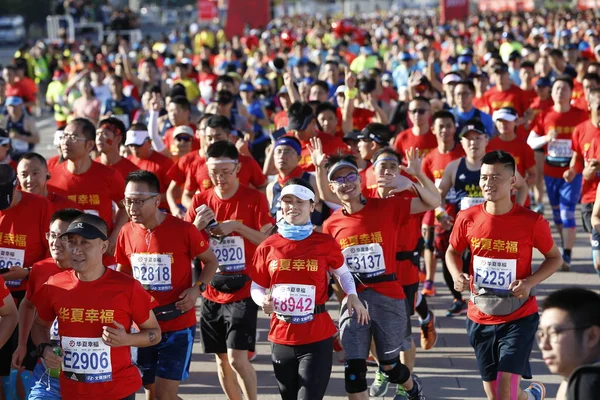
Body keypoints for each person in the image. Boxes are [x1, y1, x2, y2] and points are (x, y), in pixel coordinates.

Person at [317, 145, 440, 400]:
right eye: (338, 180)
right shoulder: (331, 225)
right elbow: (331, 269)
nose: (345, 183)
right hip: (354, 302)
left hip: (388, 297)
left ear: (361, 180)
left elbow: (434, 201)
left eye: (350, 176)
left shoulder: (388, 207)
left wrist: (413, 180)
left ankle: (412, 388)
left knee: (389, 366)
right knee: (353, 370)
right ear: (331, 188)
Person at [446, 150, 563, 400]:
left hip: (519, 315)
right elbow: (452, 252)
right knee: (495, 394)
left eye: (497, 177)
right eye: (485, 177)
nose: (489, 183)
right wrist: (457, 275)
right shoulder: (467, 218)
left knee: (506, 390)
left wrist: (530, 281)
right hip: (480, 314)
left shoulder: (532, 221)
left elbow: (555, 258)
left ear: (512, 182)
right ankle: (532, 396)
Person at [250, 179, 368, 400]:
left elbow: (342, 273)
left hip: (317, 335)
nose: (293, 206)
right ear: (279, 205)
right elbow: (257, 286)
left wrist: (352, 295)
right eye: (287, 201)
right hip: (281, 336)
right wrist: (262, 301)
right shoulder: (268, 246)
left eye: (300, 201)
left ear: (312, 206)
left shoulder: (324, 242)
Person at [30, 214, 162, 400]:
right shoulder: (54, 285)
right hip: (71, 391)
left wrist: (126, 339)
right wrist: (44, 349)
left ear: (104, 246)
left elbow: (154, 334)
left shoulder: (128, 287)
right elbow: (39, 325)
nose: (76, 249)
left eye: (85, 243)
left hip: (118, 391)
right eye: (72, 242)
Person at [116, 170, 219, 400]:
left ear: (157, 200)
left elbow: (211, 261)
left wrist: (197, 289)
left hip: (177, 324)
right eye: (128, 201)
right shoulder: (125, 232)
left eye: (139, 201)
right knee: (151, 393)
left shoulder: (184, 230)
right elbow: (123, 274)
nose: (132, 208)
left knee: (164, 396)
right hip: (143, 327)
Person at [184, 141, 273, 400]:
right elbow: (182, 248)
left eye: (226, 171)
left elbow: (267, 243)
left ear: (238, 168)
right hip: (211, 289)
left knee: (237, 359)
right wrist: (195, 227)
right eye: (214, 173)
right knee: (222, 360)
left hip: (243, 288)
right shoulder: (200, 200)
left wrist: (236, 226)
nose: (220, 178)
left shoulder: (254, 198)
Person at [363, 148, 438, 399]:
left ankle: (404, 381)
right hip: (371, 271)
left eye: (392, 166)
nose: (387, 171)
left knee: (400, 334)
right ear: (372, 171)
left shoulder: (409, 193)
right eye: (382, 166)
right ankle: (384, 369)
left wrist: (415, 180)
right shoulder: (365, 196)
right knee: (372, 330)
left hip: (403, 271)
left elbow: (435, 201)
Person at [438, 121, 528, 316]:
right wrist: (441, 215)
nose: (473, 143)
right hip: (465, 226)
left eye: (477, 138)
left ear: (487, 139)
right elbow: (438, 195)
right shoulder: (454, 167)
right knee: (452, 258)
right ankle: (457, 298)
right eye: (468, 139)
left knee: (486, 264)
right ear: (460, 142)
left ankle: (490, 299)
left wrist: (516, 212)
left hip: (494, 226)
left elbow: (522, 186)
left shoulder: (500, 166)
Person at [12, 208, 83, 399]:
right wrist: (22, 344)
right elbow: (28, 305)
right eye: (52, 235)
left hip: (86, 376)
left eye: (63, 237)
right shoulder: (40, 268)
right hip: (48, 369)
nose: (55, 242)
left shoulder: (94, 273)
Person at [527, 76, 589, 271]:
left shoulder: (582, 115)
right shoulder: (544, 115)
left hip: (572, 172)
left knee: (567, 210)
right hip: (550, 171)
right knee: (557, 215)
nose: (560, 92)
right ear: (551, 93)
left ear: (571, 93)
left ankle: (567, 255)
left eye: (564, 88)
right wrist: (547, 137)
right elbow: (531, 142)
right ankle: (564, 246)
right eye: (556, 89)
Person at [47, 118, 128, 264]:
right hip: (65, 260)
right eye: (64, 136)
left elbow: (125, 207)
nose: (66, 142)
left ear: (90, 144)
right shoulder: (51, 176)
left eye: (73, 137)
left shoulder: (109, 175)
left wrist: (115, 235)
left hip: (101, 259)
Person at [421, 111, 464, 297]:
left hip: (461, 211)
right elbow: (427, 192)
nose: (445, 130)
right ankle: (430, 279)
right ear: (433, 130)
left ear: (455, 128)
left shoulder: (464, 154)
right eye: (441, 126)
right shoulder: (429, 159)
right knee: (429, 241)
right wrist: (440, 214)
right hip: (438, 211)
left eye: (448, 125)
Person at [538, 287, 600, 400]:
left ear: (592, 336)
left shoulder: (590, 381)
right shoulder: (573, 379)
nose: (544, 345)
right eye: (541, 334)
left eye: (554, 332)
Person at [265, 136, 328, 226]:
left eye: (287, 151)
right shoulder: (271, 187)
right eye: (278, 151)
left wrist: (320, 167)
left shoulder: (311, 180)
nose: (282, 156)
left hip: (310, 237)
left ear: (299, 158)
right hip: (283, 238)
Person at [124, 123, 174, 210]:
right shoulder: (127, 162)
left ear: (149, 142)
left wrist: (147, 200)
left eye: (138, 145)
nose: (134, 149)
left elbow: (175, 192)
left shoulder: (164, 162)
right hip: (133, 212)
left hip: (160, 211)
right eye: (131, 145)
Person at [17, 152, 81, 213]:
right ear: (18, 178)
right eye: (24, 175)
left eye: (35, 173)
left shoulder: (67, 208)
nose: (30, 179)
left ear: (47, 173)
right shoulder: (12, 207)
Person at [0, 96, 40, 160]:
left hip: (25, 154)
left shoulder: (28, 121)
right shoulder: (5, 120)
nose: (12, 109)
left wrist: (20, 137)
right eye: (10, 106)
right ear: (6, 107)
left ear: (21, 106)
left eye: (15, 106)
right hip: (10, 154)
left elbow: (37, 139)